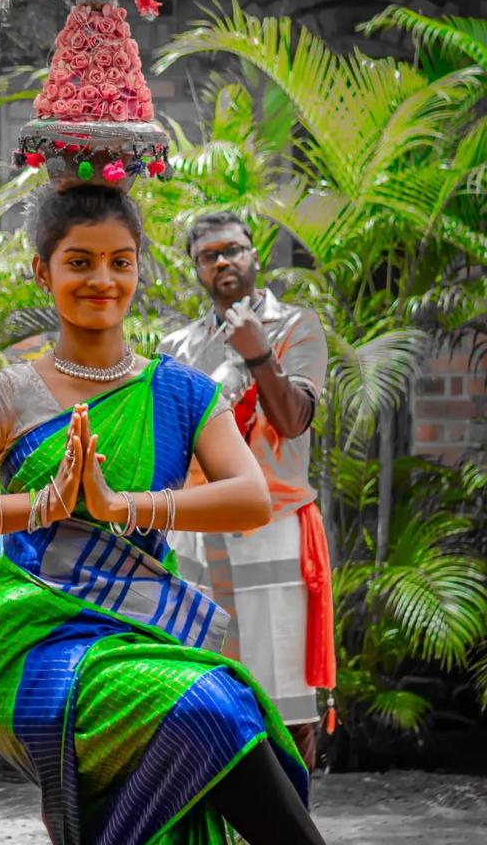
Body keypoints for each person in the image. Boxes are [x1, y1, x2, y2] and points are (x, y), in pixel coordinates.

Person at [0, 185, 327, 844]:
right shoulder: (11, 392)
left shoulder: (178, 391)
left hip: (139, 628)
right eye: (80, 261)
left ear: (140, 268)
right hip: (33, 638)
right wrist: (38, 506)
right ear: (44, 270)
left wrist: (123, 506)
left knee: (222, 713)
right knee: (210, 705)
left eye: (121, 262)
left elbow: (249, 497)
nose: (103, 279)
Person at [159, 210, 335, 772]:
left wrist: (259, 352)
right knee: (200, 688)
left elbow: (293, 420)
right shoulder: (178, 347)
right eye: (208, 256)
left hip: (273, 528)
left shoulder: (296, 327)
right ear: (196, 271)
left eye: (233, 250)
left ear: (255, 254)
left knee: (284, 694)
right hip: (194, 533)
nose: (223, 262)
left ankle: (291, 822)